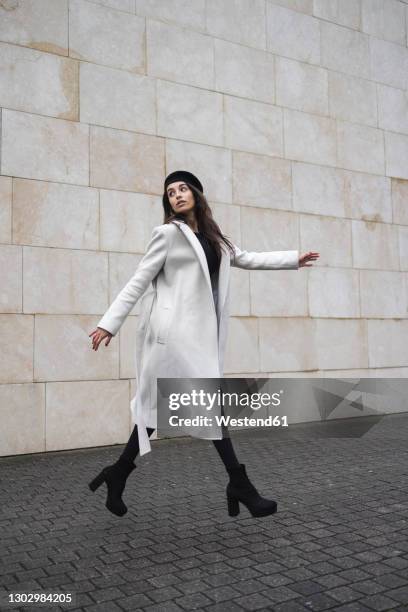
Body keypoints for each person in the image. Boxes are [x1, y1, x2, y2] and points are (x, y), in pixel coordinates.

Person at [88, 170, 319, 518]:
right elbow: (139, 280)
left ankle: (117, 473)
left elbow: (248, 257)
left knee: (155, 411)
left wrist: (292, 259)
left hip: (198, 338)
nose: (177, 195)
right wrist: (110, 323)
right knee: (206, 403)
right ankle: (239, 483)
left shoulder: (215, 238)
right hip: (172, 336)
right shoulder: (167, 234)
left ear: (196, 193)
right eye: (170, 192)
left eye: (183, 189)